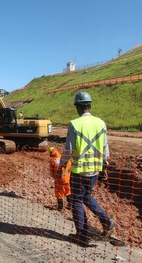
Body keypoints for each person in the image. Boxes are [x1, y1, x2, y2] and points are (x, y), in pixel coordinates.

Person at [58, 91, 115, 247]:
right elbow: (105, 146)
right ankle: (106, 220)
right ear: (90, 106)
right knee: (86, 196)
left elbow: (68, 149)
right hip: (95, 169)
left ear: (77, 107)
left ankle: (82, 235)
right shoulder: (101, 123)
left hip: (79, 170)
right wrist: (105, 163)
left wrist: (61, 164)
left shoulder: (75, 124)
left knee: (76, 200)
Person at [48, 147, 72, 211]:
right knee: (67, 190)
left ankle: (60, 208)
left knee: (58, 192)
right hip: (67, 178)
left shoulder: (53, 160)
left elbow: (52, 171)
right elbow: (70, 166)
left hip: (59, 179)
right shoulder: (63, 157)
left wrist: (55, 177)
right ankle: (70, 205)